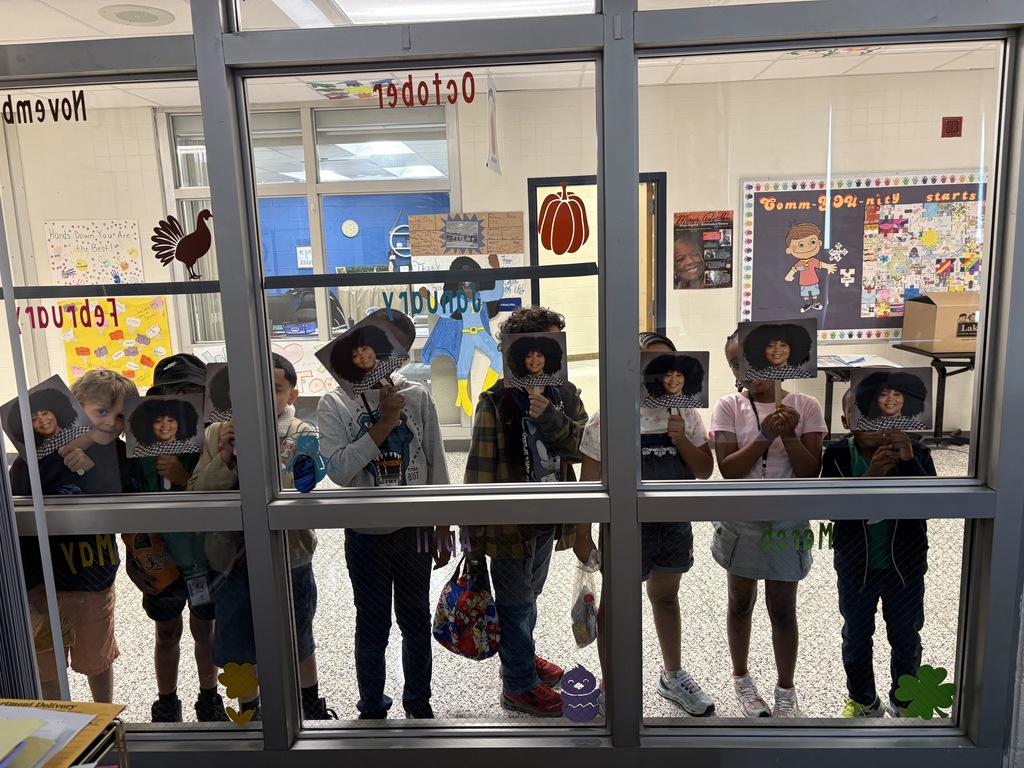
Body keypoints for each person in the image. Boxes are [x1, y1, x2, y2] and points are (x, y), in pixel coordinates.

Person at [574, 332, 715, 716]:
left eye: (667, 364)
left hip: (672, 524)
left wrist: (681, 440)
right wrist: (582, 533)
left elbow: (704, 470)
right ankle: (612, 682)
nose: (660, 372)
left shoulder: (687, 413)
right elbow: (589, 481)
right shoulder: (609, 416)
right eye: (649, 363)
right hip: (624, 526)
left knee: (666, 596)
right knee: (615, 604)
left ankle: (673, 675)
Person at [318, 310, 450, 720]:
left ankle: (418, 702)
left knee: (415, 620)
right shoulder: (334, 402)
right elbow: (339, 471)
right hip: (366, 533)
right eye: (356, 351)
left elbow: (435, 459)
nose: (366, 357)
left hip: (414, 527)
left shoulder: (417, 394)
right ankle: (372, 706)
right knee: (373, 625)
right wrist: (385, 423)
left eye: (373, 349)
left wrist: (443, 523)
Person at [189, 354, 336, 720]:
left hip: (288, 555)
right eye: (250, 388)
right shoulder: (214, 433)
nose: (262, 396)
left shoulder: (302, 432)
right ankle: (249, 710)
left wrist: (259, 450)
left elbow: (302, 486)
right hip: (229, 559)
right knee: (237, 642)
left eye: (275, 388)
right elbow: (198, 492)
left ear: (292, 396)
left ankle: (309, 705)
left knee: (297, 635)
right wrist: (225, 456)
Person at [464, 305, 588, 717]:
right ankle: (518, 684)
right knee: (515, 603)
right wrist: (473, 535)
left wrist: (550, 416)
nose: (542, 354)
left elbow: (584, 447)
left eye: (552, 344)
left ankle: (522, 654)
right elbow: (478, 471)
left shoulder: (564, 394)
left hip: (548, 517)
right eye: (534, 345)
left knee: (529, 595)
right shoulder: (495, 401)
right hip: (509, 523)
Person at [709, 331, 826, 718]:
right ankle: (741, 677)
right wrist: (763, 435)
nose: (746, 371)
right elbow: (729, 469)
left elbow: (810, 473)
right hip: (741, 520)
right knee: (740, 602)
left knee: (783, 608)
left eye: (754, 360)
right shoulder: (728, 406)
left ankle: (785, 688)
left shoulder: (805, 405)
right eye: (736, 364)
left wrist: (789, 434)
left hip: (787, 520)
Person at [10, 370, 136, 703]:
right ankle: (58, 722)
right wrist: (29, 586)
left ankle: (105, 717)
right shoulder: (32, 458)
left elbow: (132, 496)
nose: (111, 422)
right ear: (76, 408)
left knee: (97, 659)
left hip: (96, 578)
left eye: (120, 416)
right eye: (101, 411)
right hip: (45, 583)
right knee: (47, 667)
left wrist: (94, 469)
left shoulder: (120, 455)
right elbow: (17, 523)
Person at [122, 353, 229, 723]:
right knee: (166, 631)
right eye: (171, 390)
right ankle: (166, 701)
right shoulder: (139, 444)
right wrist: (134, 559)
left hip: (206, 555)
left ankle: (209, 697)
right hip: (159, 557)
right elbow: (125, 505)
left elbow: (225, 490)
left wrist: (185, 479)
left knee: (206, 629)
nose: (180, 396)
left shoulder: (213, 438)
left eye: (190, 390)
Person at [822, 388, 933, 718]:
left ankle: (906, 701)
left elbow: (929, 504)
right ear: (845, 421)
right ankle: (863, 701)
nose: (871, 421)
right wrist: (871, 476)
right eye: (860, 414)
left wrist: (908, 460)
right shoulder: (838, 454)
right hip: (856, 566)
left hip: (906, 567)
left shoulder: (917, 452)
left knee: (906, 636)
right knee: (856, 636)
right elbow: (831, 509)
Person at [419, 254, 505, 416]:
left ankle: (486, 390)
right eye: (463, 279)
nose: (467, 283)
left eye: (470, 278)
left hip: (481, 333)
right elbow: (444, 313)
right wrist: (428, 298)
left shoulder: (481, 295)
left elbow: (497, 293)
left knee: (498, 358)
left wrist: (497, 269)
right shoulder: (457, 300)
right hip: (467, 334)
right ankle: (463, 394)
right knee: (463, 366)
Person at [783, 221, 836, 313]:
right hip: (803, 282)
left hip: (813, 281)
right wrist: (789, 275)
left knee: (815, 292)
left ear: (819, 242)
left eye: (812, 242)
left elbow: (820, 264)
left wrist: (828, 267)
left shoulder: (813, 261)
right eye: (801, 245)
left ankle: (815, 303)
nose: (808, 246)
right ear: (789, 250)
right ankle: (807, 304)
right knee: (805, 294)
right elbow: (794, 269)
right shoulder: (799, 263)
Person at [852, 370, 929, 431]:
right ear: (874, 398)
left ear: (906, 399)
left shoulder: (917, 427)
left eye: (896, 394)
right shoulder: (864, 423)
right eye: (883, 394)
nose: (890, 399)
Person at [741, 323, 814, 381]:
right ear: (762, 349)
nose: (777, 350)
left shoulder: (803, 376)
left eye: (783, 345)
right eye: (770, 346)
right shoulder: (752, 374)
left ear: (792, 349)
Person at [641, 352, 706, 410]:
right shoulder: (650, 401)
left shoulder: (694, 405)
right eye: (668, 375)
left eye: (678, 375)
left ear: (687, 379)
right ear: (660, 379)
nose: (673, 379)